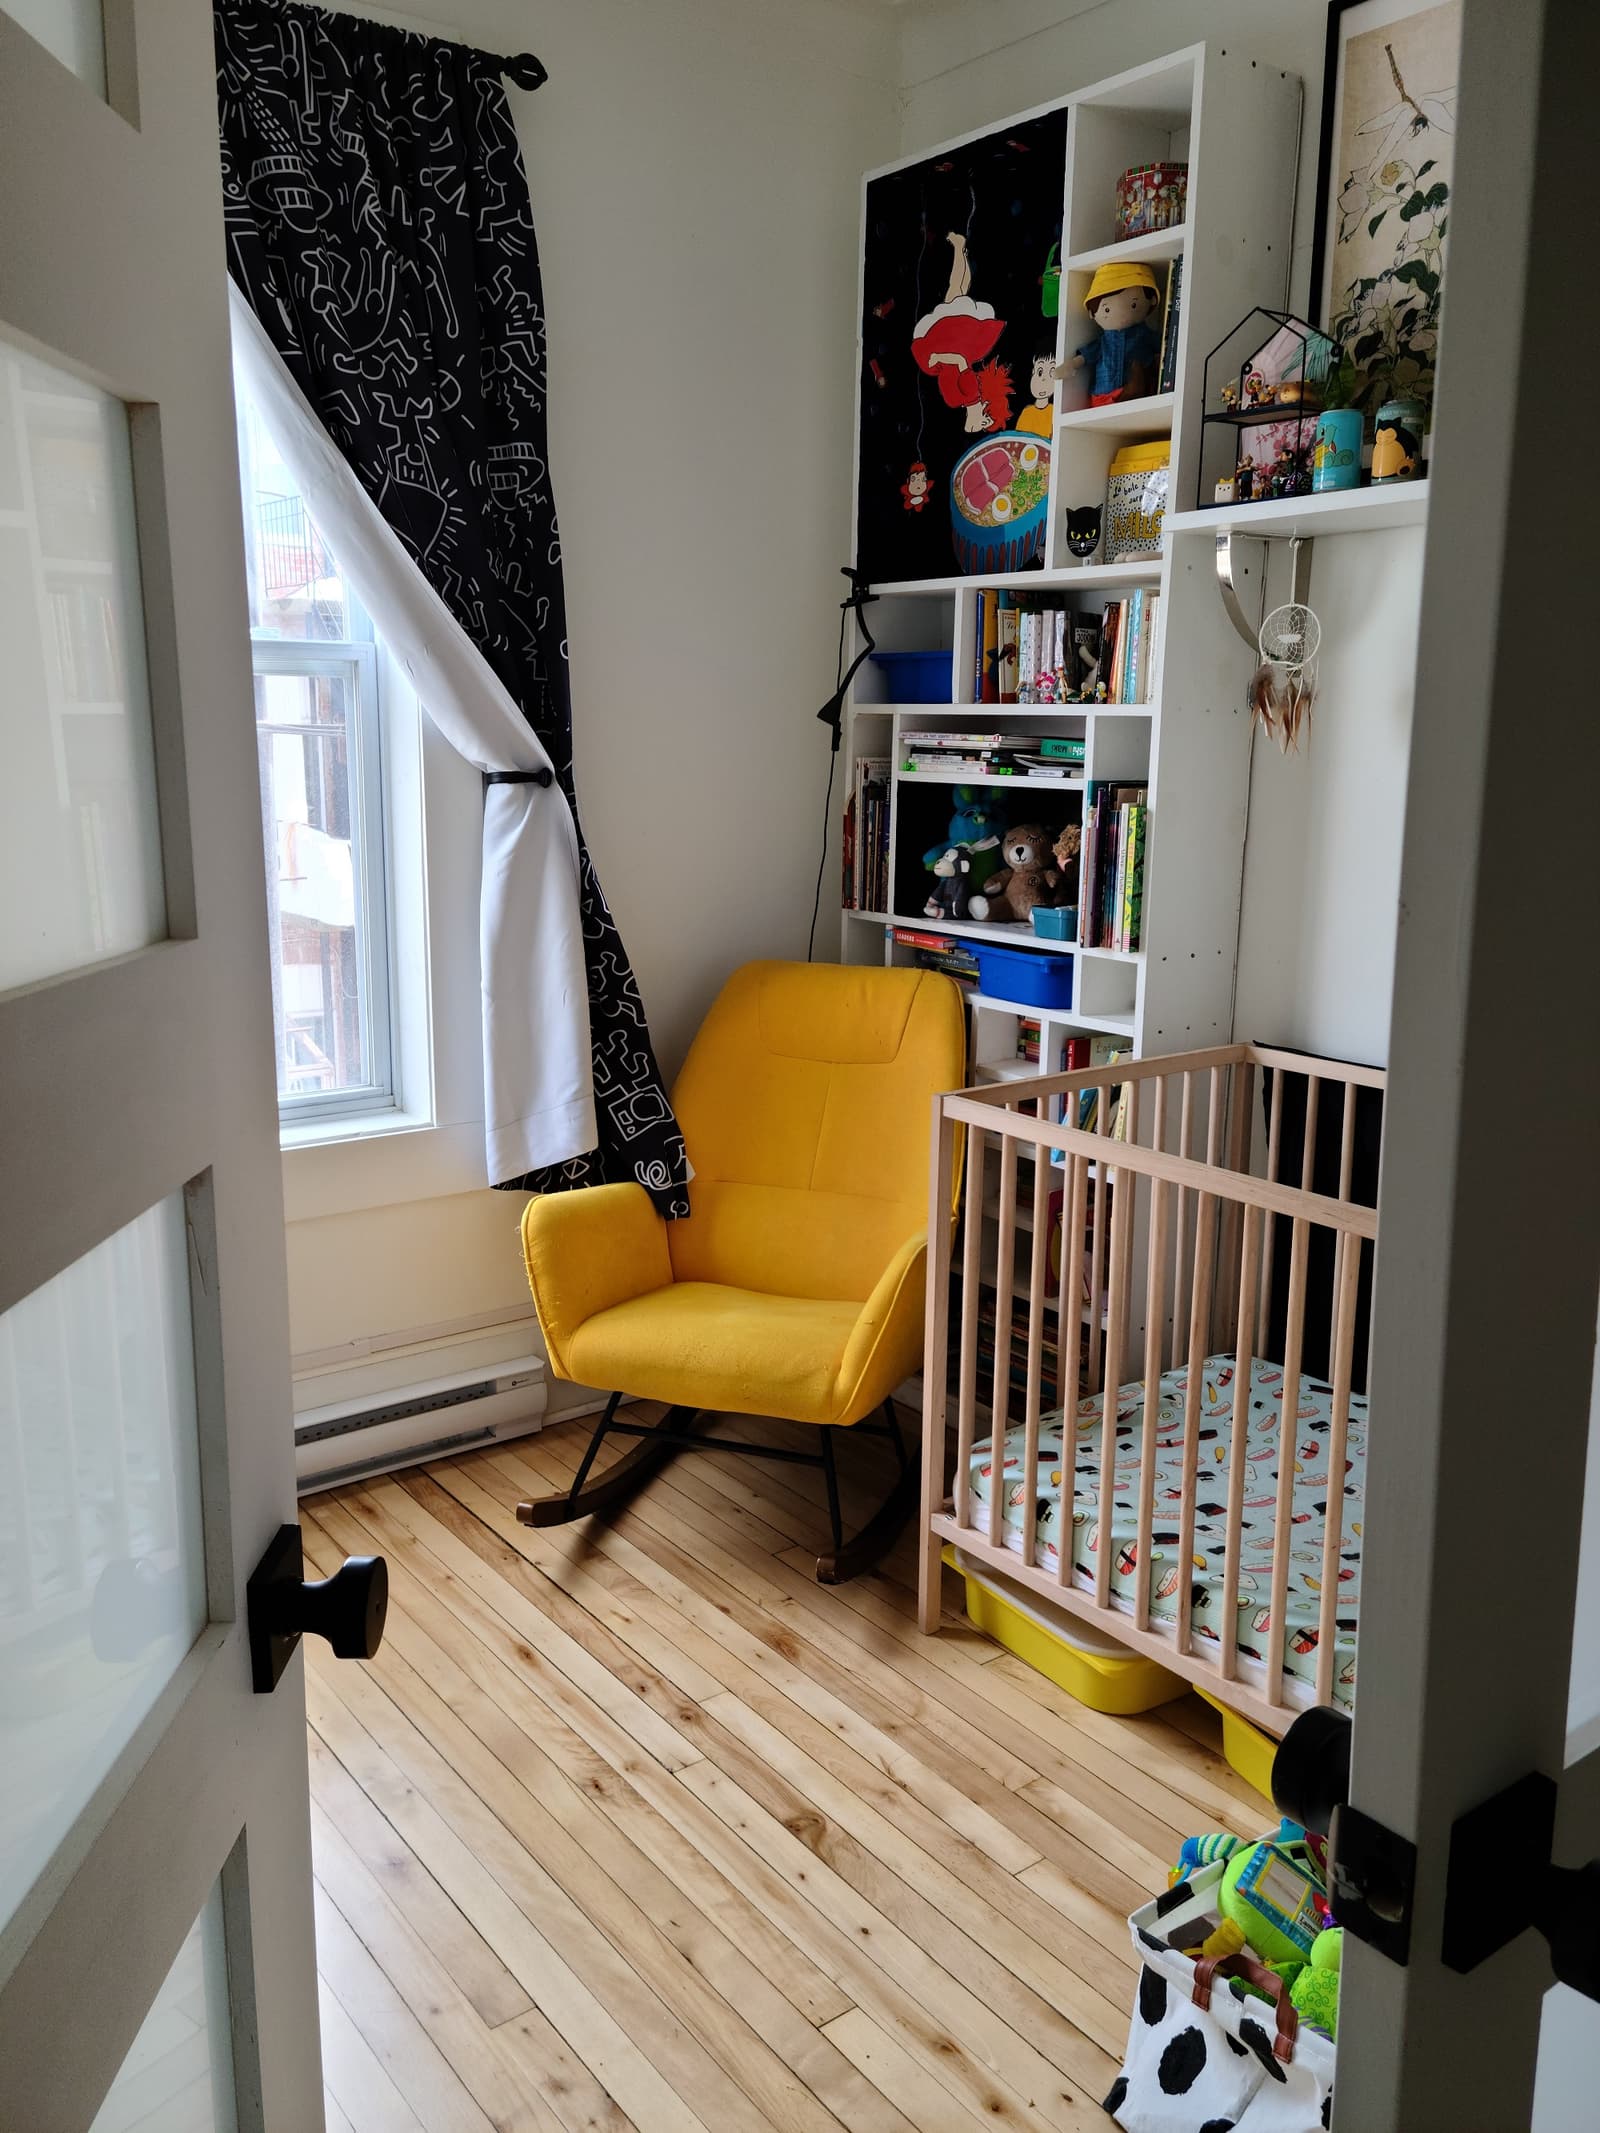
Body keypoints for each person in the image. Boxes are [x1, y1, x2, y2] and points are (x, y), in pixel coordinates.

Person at [910, 230, 1008, 432]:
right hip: (953, 342)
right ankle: (959, 248)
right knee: (955, 289)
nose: (977, 426)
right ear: (984, 411)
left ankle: (960, 250)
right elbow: (960, 361)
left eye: (983, 425)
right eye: (985, 422)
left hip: (951, 345)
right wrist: (938, 356)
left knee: (958, 290)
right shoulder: (970, 394)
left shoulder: (961, 401)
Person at [1055, 261, 1162, 406]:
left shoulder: (1143, 334)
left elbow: (1163, 347)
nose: (1122, 315)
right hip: (1102, 395)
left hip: (1135, 389)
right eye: (1106, 310)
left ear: (1152, 301)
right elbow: (1086, 356)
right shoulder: (1102, 343)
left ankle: (1135, 389)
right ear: (1092, 313)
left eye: (1133, 305)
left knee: (1138, 372)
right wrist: (1071, 365)